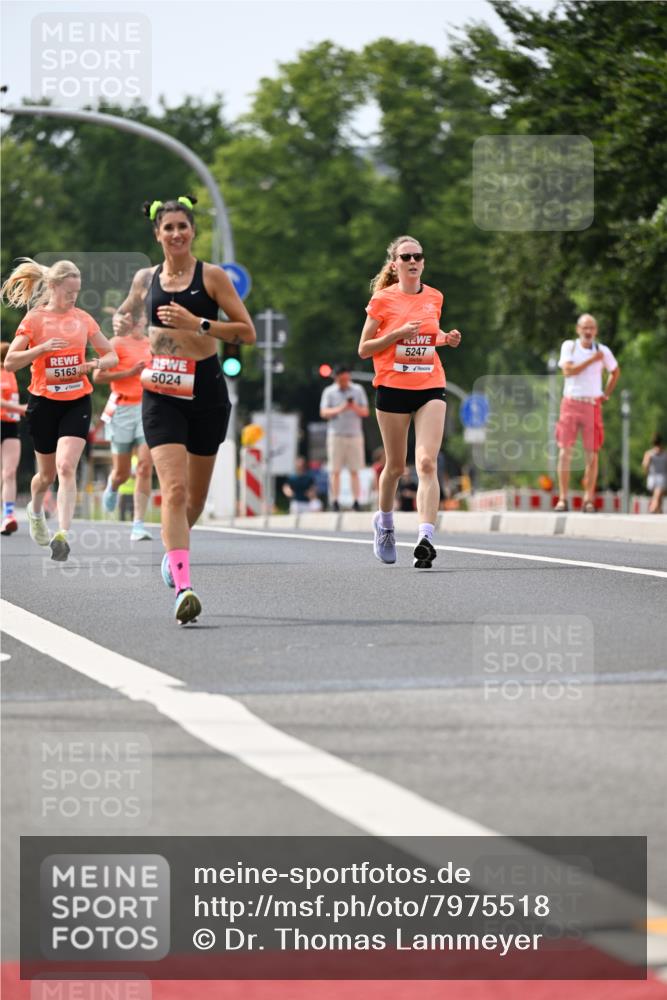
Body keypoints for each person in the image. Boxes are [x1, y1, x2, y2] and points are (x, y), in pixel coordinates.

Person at [113, 196, 255, 624]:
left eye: (182, 226)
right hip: (161, 393)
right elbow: (126, 316)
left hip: (206, 391)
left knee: (194, 499)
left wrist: (199, 324)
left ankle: (174, 554)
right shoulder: (145, 279)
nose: (176, 234)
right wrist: (122, 324)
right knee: (172, 491)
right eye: (168, 227)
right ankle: (184, 586)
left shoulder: (211, 277)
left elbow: (245, 332)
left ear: (192, 231)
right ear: (157, 234)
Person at [1, 259, 117, 561]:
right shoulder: (35, 320)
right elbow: (12, 362)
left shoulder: (83, 319)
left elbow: (112, 355)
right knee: (45, 475)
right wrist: (41, 349)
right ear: (52, 287)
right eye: (68, 292)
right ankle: (36, 511)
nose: (73, 298)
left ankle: (63, 534)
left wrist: (94, 364)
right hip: (43, 404)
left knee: (67, 467)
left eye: (77, 292)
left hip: (77, 401)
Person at [358, 235, 461, 567]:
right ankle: (385, 524)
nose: (413, 261)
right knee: (396, 468)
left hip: (430, 384)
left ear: (423, 262)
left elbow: (429, 337)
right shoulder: (382, 300)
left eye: (418, 256)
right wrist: (394, 335)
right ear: (395, 264)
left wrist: (447, 338)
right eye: (406, 257)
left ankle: (425, 538)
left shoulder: (435, 297)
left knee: (428, 463)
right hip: (392, 387)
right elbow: (364, 348)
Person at [94, 306, 153, 541]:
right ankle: (113, 485)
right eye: (135, 318)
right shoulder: (116, 343)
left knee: (145, 466)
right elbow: (97, 377)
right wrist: (129, 372)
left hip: (147, 408)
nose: (139, 321)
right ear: (128, 321)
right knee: (123, 472)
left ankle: (138, 524)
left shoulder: (152, 343)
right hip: (121, 409)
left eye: (142, 317)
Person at [555, 313, 620, 512]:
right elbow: (567, 371)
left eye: (591, 328)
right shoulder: (570, 347)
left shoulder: (603, 351)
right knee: (565, 452)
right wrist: (593, 360)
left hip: (592, 405)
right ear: (578, 329)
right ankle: (563, 498)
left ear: (596, 331)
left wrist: (605, 394)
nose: (588, 331)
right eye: (585, 327)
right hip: (571, 403)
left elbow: (615, 371)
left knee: (592, 454)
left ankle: (588, 498)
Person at [319, 364, 369, 511]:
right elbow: (324, 412)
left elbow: (365, 412)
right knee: (335, 470)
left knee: (355, 470)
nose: (344, 382)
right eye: (342, 380)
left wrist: (352, 406)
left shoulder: (358, 390)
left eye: (346, 379)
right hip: (336, 435)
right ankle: (335, 500)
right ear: (336, 378)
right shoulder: (329, 392)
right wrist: (342, 407)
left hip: (354, 434)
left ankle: (356, 500)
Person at [1, 341, 27, 535]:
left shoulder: (12, 374)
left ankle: (8, 515)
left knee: (9, 472)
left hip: (10, 425)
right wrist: (21, 409)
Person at [642, 434, 666, 514]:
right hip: (662, 477)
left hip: (652, 477)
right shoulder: (665, 453)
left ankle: (659, 512)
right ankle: (652, 508)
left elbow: (645, 464)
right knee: (657, 496)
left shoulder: (649, 453)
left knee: (657, 496)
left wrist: (646, 473)